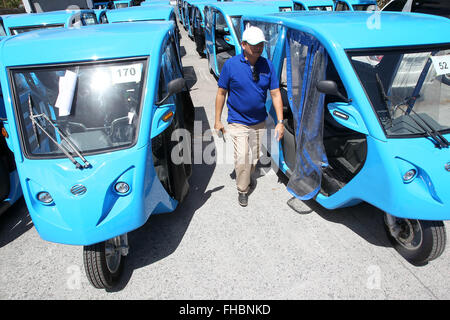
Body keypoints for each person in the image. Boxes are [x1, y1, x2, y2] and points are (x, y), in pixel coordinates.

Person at [214, 26, 284, 207]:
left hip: (259, 121)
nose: (259, 48)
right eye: (254, 45)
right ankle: (242, 190)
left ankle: (246, 175)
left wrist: (280, 122)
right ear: (243, 45)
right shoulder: (231, 65)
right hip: (237, 121)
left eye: (261, 44)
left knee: (253, 158)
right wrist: (217, 120)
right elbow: (221, 93)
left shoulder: (268, 65)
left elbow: (276, 94)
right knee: (243, 156)